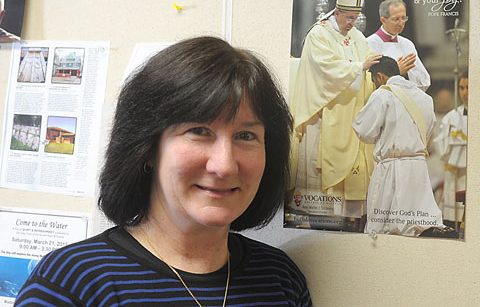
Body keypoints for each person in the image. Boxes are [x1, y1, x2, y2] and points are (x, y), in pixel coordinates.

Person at [15, 37, 313, 306]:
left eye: (246, 136)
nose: (224, 165)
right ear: (147, 150)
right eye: (199, 131)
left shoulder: (280, 279)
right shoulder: (72, 283)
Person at [289, 0, 382, 230]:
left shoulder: (358, 38)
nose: (353, 23)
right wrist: (358, 68)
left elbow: (367, 68)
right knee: (318, 180)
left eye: (356, 18)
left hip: (350, 116)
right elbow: (324, 69)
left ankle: (347, 220)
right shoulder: (319, 34)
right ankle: (316, 220)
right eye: (349, 18)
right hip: (323, 114)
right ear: (337, 12)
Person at [352, 56, 453, 237]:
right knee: (419, 223)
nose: (375, 85)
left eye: (374, 80)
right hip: (418, 170)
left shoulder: (383, 94)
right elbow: (428, 130)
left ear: (380, 77)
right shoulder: (425, 99)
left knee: (383, 229)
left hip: (392, 168)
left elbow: (364, 131)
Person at [366, 0, 430, 91]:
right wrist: (396, 72)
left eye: (403, 18)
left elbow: (424, 81)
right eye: (396, 19)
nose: (401, 23)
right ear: (383, 20)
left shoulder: (407, 44)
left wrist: (407, 74)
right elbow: (368, 83)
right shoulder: (369, 44)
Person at [435, 72, 468, 230]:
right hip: (453, 171)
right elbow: (441, 146)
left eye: (468, 87)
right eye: (462, 88)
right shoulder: (451, 117)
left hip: (471, 172)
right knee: (451, 216)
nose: (465, 92)